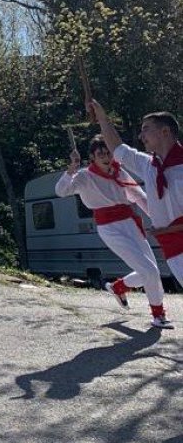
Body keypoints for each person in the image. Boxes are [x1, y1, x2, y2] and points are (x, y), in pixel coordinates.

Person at [55, 135, 167, 324]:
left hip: (131, 223)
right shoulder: (84, 176)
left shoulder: (119, 172)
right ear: (92, 157)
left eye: (108, 153)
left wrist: (160, 219)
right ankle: (158, 316)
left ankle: (118, 287)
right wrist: (72, 168)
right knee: (148, 270)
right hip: (109, 228)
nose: (106, 157)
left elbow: (139, 197)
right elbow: (61, 191)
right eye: (101, 154)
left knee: (152, 271)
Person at [89, 100, 181, 327]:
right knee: (149, 270)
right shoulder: (149, 165)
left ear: (165, 132)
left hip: (174, 238)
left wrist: (170, 228)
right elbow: (118, 149)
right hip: (172, 247)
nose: (141, 136)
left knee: (150, 270)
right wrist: (102, 118)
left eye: (146, 129)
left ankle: (154, 312)